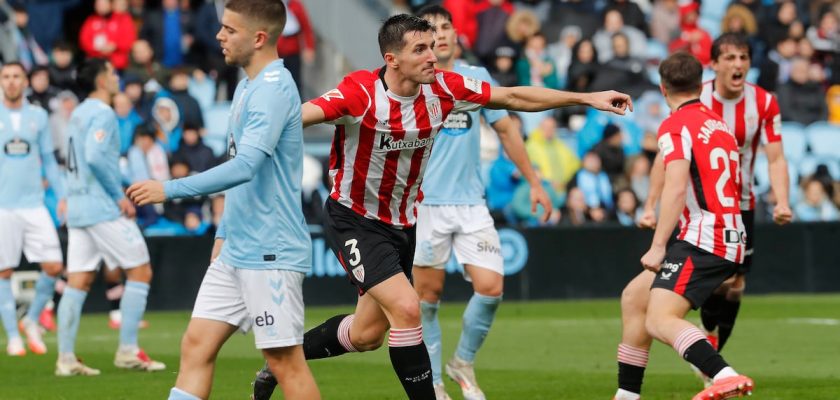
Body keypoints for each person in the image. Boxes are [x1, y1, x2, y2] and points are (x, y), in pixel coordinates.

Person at [250, 13, 631, 400]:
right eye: (420, 49)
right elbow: (302, 114)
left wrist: (586, 98)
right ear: (392, 58)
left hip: (404, 222)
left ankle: (282, 358)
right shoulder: (360, 94)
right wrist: (256, 135)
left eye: (432, 46)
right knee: (408, 308)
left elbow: (513, 96)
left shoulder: (446, 88)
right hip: (355, 219)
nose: (433, 56)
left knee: (366, 335)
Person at [126, 1, 321, 399]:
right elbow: (241, 171)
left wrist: (169, 189)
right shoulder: (247, 84)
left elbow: (245, 166)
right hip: (237, 249)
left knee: (284, 361)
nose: (219, 36)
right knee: (196, 345)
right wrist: (225, 232)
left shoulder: (272, 90)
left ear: (259, 37)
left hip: (271, 252)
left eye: (230, 30)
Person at [631, 33, 793, 388]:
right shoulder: (704, 105)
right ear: (713, 65)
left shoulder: (762, 102)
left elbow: (775, 157)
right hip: (719, 218)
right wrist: (649, 205)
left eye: (744, 57)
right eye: (730, 57)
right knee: (637, 297)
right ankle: (639, 388)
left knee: (723, 290)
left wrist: (782, 200)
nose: (738, 65)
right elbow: (668, 160)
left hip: (722, 213)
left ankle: (715, 365)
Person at [613, 51, 754, 400]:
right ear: (699, 85)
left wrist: (659, 245)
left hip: (705, 236)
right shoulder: (718, 123)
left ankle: (723, 375)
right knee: (634, 298)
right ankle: (627, 396)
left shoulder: (675, 125)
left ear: (663, 89)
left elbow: (676, 186)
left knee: (659, 319)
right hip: (727, 231)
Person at [57, 58, 164, 376]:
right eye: (112, 73)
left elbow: (73, 158)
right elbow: (93, 156)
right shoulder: (103, 113)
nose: (116, 77)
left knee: (78, 280)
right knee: (141, 271)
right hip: (101, 206)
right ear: (102, 81)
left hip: (78, 205)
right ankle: (128, 351)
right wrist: (119, 195)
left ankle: (65, 358)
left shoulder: (77, 112)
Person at [0, 62, 66, 356]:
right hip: (3, 206)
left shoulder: (38, 116)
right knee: (3, 271)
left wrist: (62, 194)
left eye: (16, 77)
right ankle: (13, 335)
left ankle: (30, 318)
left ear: (25, 81)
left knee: (54, 265)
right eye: (6, 77)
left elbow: (49, 161)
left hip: (34, 204)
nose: (12, 82)